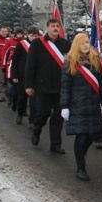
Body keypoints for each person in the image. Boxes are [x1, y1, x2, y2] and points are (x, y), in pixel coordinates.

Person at [60, 34, 102, 181]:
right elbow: (65, 86)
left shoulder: (96, 61)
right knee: (81, 136)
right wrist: (65, 106)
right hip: (78, 106)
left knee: (92, 135)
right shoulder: (70, 62)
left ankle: (82, 154)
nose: (86, 45)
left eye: (87, 42)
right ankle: (80, 165)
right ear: (76, 45)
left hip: (93, 105)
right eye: (82, 43)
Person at [25, 18, 72, 154]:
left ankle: (55, 144)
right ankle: (36, 130)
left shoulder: (65, 44)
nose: (55, 28)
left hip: (60, 87)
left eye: (57, 26)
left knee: (58, 117)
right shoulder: (37, 44)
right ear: (47, 28)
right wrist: (29, 85)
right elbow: (30, 65)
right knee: (43, 114)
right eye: (53, 26)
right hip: (43, 86)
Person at [11, 26, 39, 126]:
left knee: (33, 100)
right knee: (22, 97)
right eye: (32, 35)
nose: (34, 38)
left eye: (36, 36)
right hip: (22, 75)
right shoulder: (21, 45)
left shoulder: (39, 45)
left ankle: (32, 120)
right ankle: (20, 113)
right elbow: (15, 60)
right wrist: (14, 75)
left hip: (34, 76)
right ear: (27, 35)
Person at [3, 28, 24, 112]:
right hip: (11, 65)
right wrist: (4, 65)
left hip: (21, 66)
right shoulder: (10, 42)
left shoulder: (24, 43)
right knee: (11, 87)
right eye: (18, 34)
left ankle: (19, 104)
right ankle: (9, 97)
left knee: (18, 89)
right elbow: (5, 54)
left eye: (21, 34)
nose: (19, 35)